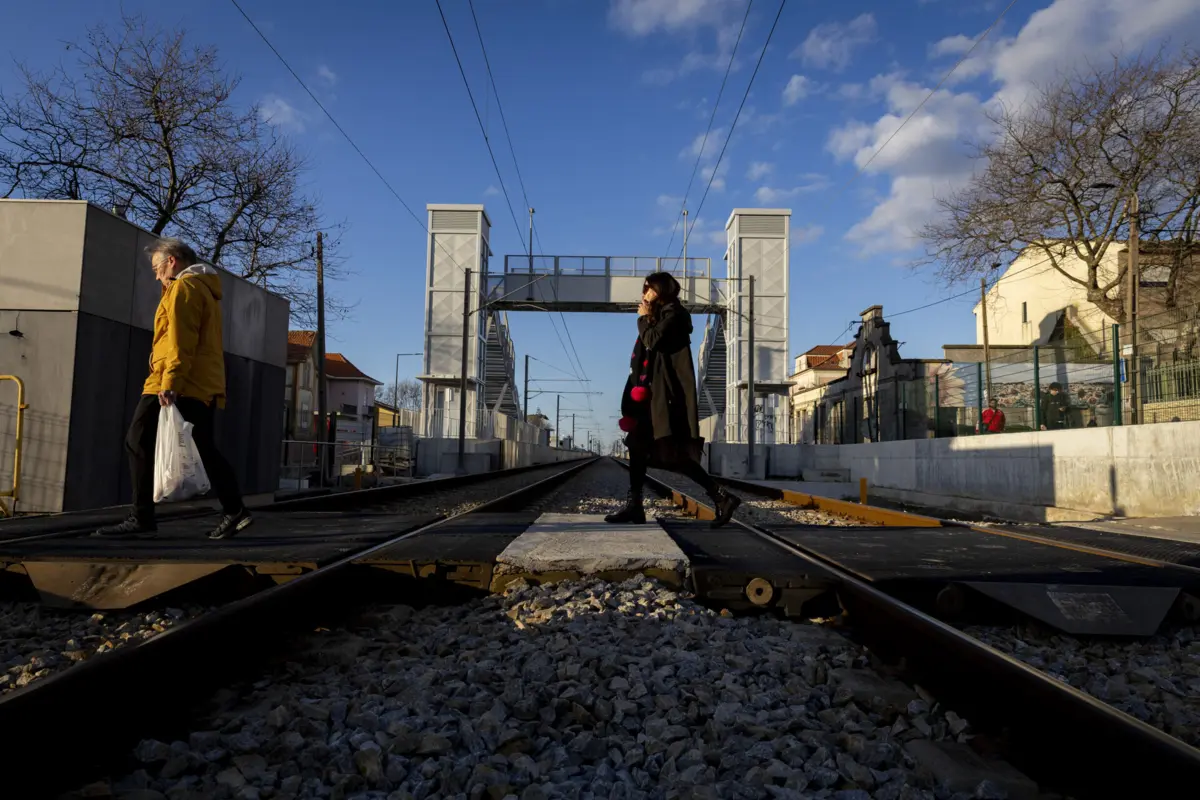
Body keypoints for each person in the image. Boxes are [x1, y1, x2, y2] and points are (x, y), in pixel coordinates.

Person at [96, 238, 253, 539]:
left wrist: (170, 384)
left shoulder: (184, 288)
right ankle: (235, 510)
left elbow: (181, 342)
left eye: (157, 268)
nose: (156, 276)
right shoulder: (202, 288)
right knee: (203, 446)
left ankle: (141, 517)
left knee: (137, 439)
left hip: (177, 381)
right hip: (198, 382)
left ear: (172, 261)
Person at [606, 272, 741, 528]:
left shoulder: (675, 316)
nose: (644, 292)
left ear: (660, 290)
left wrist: (643, 317)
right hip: (650, 397)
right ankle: (635, 506)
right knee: (637, 446)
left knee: (673, 455)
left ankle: (721, 496)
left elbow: (652, 340)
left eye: (648, 288)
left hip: (664, 399)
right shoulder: (661, 317)